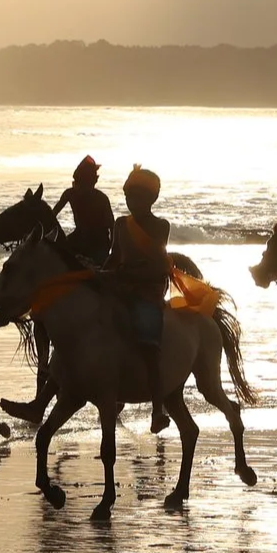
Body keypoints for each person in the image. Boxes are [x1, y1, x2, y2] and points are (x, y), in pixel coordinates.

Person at [108, 165, 173, 399]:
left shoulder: (160, 226)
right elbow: (114, 257)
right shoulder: (120, 224)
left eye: (136, 197)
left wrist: (127, 273)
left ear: (151, 199)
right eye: (128, 197)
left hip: (148, 290)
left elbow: (155, 263)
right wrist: (97, 272)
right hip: (121, 286)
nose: (131, 202)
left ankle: (158, 407)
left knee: (149, 347)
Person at [52, 155, 115, 266]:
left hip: (99, 242)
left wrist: (112, 249)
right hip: (80, 236)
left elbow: (112, 226)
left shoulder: (101, 198)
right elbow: (52, 215)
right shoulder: (70, 193)